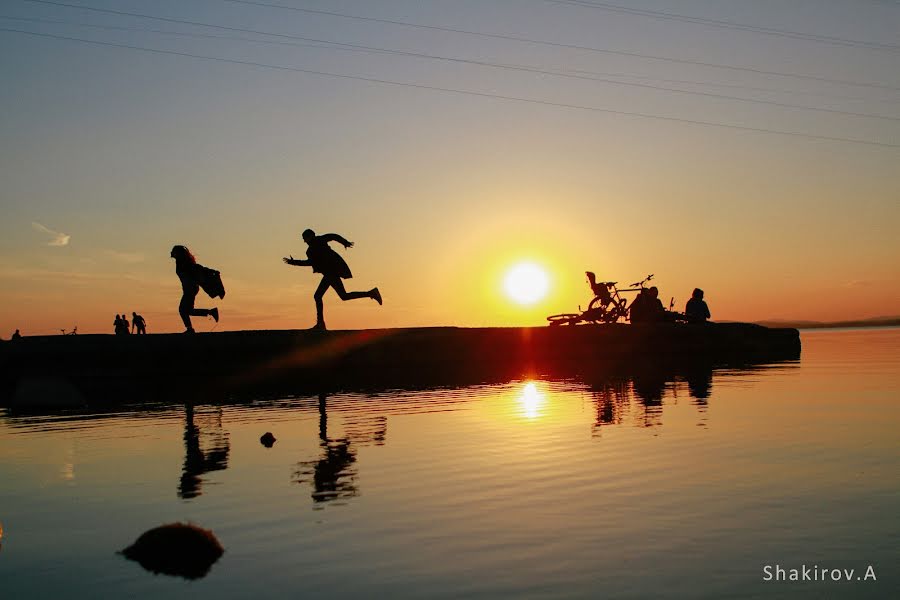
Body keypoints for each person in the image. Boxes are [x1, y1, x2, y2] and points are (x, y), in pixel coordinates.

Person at [283, 229, 382, 330]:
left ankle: (321, 324)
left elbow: (333, 236)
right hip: (329, 273)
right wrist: (294, 262)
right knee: (342, 296)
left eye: (305, 238)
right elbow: (310, 262)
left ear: (311, 236)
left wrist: (344, 242)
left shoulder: (319, 240)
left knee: (319, 296)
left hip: (332, 272)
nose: (305, 241)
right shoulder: (310, 251)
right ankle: (371, 293)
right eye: (304, 239)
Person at [171, 245, 219, 333]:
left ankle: (190, 329)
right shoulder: (180, 262)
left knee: (183, 310)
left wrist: (212, 272)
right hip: (189, 289)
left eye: (173, 252)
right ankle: (211, 312)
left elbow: (199, 268)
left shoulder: (185, 263)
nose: (171, 253)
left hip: (191, 289)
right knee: (188, 310)